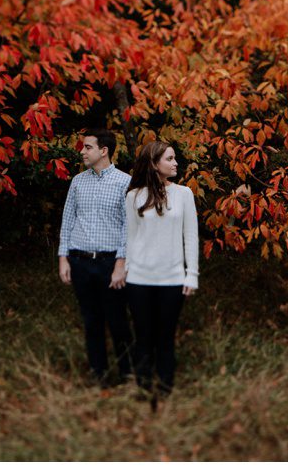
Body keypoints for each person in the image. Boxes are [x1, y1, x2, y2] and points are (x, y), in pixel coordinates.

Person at [57, 129, 134, 387]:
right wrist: (63, 258)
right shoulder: (78, 181)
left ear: (104, 151)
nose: (82, 151)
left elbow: (129, 227)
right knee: (91, 321)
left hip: (110, 263)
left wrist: (120, 264)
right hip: (79, 261)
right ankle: (98, 373)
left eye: (87, 147)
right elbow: (68, 220)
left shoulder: (126, 182)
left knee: (117, 321)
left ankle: (127, 374)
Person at [124, 140, 199, 400]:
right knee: (143, 336)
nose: (175, 163)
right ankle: (143, 388)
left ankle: (165, 389)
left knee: (165, 336)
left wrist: (192, 274)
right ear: (154, 163)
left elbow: (191, 237)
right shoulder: (134, 196)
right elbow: (130, 238)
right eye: (169, 158)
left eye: (175, 158)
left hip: (172, 279)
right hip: (138, 279)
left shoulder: (184, 194)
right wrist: (126, 270)